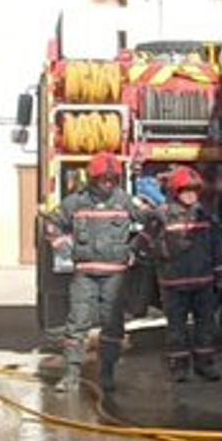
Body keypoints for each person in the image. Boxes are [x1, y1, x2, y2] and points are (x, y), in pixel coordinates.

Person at [45, 151, 155, 394]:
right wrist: (62, 245)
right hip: (84, 275)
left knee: (112, 326)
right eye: (103, 178)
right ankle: (71, 374)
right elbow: (51, 224)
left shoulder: (125, 201)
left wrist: (138, 245)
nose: (107, 182)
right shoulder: (75, 202)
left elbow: (153, 221)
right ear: (92, 178)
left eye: (111, 178)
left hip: (116, 277)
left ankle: (107, 374)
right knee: (77, 324)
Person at [147, 168, 222, 382]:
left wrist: (221, 271)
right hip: (174, 284)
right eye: (185, 190)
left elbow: (217, 245)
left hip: (203, 282)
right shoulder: (162, 216)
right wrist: (159, 252)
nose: (191, 195)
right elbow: (146, 243)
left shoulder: (206, 215)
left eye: (194, 190)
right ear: (175, 191)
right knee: (176, 328)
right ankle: (179, 367)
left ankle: (205, 365)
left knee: (206, 327)